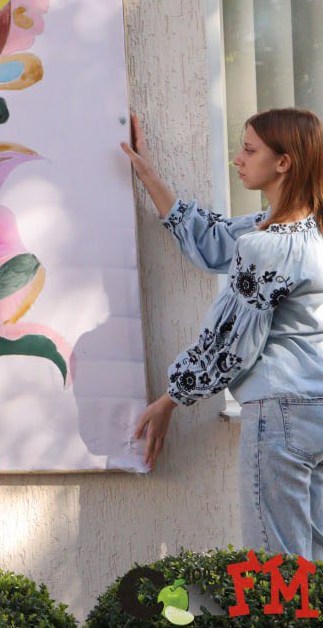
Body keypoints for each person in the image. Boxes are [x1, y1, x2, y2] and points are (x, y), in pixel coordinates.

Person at [124, 108, 323, 558]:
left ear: (283, 162)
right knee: (313, 564)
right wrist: (148, 174)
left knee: (278, 565)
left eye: (250, 150)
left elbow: (229, 345)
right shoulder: (305, 233)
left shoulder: (267, 246)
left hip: (282, 414)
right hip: (318, 409)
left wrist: (170, 399)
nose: (238, 158)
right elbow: (212, 239)